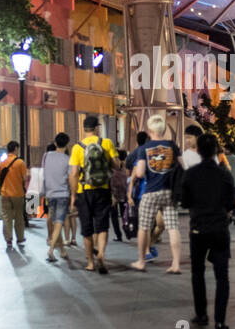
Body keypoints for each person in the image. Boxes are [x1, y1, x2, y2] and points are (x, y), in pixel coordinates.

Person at [180, 133, 235, 329]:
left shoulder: (190, 174)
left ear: (198, 151)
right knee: (222, 276)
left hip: (198, 228)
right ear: (215, 151)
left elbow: (185, 202)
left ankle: (201, 314)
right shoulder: (224, 174)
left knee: (198, 272)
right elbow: (230, 204)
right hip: (219, 228)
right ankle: (220, 321)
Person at [128, 114, 182, 274]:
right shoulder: (172, 146)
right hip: (169, 192)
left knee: (144, 227)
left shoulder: (144, 149)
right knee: (173, 227)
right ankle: (176, 264)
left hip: (151, 191)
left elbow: (139, 173)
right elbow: (182, 166)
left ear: (149, 130)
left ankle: (141, 261)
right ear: (164, 130)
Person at [68, 115, 121, 274]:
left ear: (84, 129)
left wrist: (73, 196)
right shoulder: (106, 143)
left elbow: (74, 174)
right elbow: (117, 165)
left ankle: (90, 262)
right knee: (102, 226)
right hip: (103, 189)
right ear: (97, 128)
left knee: (87, 229)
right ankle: (102, 254)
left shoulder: (77, 147)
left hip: (84, 191)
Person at [42, 133, 72, 262]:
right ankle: (51, 249)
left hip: (50, 193)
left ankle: (63, 251)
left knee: (55, 223)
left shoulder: (46, 156)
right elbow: (71, 178)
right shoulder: (68, 159)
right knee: (59, 222)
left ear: (55, 143)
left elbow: (43, 172)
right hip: (62, 194)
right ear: (67, 144)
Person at [0, 140, 28, 250]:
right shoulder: (20, 163)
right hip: (18, 193)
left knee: (6, 217)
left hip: (5, 193)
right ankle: (20, 238)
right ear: (15, 149)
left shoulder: (2, 162)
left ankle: (8, 239)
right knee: (19, 216)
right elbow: (24, 178)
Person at [109, 151, 129, 242]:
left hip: (121, 195)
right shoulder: (122, 168)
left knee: (123, 215)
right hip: (115, 195)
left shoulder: (123, 168)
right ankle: (120, 235)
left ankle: (125, 233)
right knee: (116, 216)